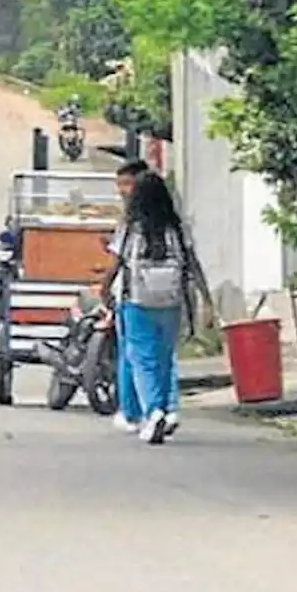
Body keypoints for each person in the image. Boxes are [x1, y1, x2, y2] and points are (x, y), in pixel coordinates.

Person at [111, 171, 196, 444]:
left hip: (137, 301)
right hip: (171, 302)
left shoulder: (130, 227)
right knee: (164, 358)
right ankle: (169, 409)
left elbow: (116, 264)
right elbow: (192, 264)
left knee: (142, 360)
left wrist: (103, 290)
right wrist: (201, 300)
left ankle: (154, 412)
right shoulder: (177, 227)